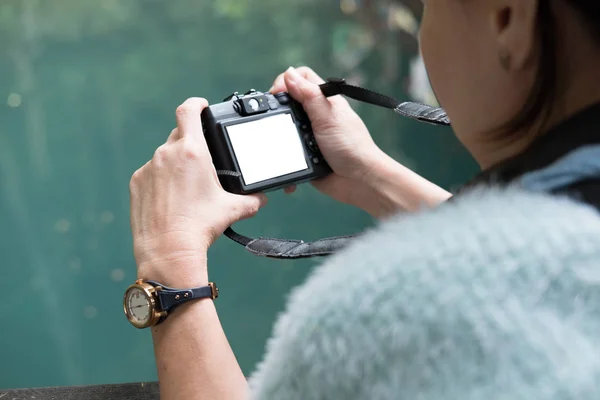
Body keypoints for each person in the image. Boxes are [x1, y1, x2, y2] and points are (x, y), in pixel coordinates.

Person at [127, 0, 600, 398]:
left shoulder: (388, 304)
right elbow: (521, 267)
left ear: (508, 18)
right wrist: (371, 176)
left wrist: (170, 259)